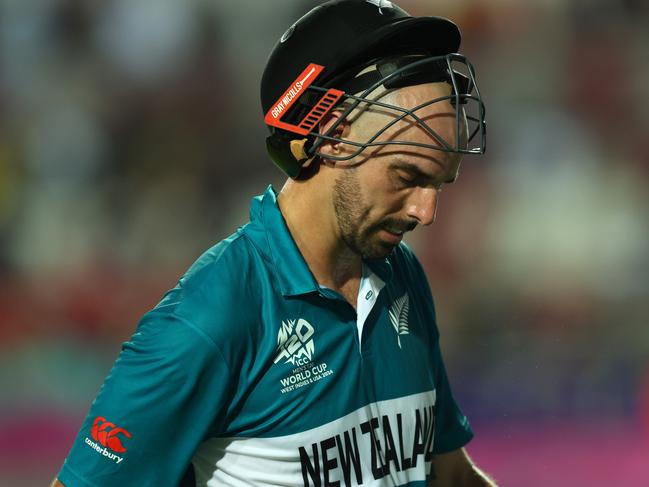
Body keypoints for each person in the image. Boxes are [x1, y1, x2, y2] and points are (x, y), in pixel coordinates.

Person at [52, 0, 494, 485]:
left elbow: (447, 472)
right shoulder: (210, 319)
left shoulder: (402, 275)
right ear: (332, 135)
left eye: (438, 186)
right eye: (407, 176)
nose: (425, 213)